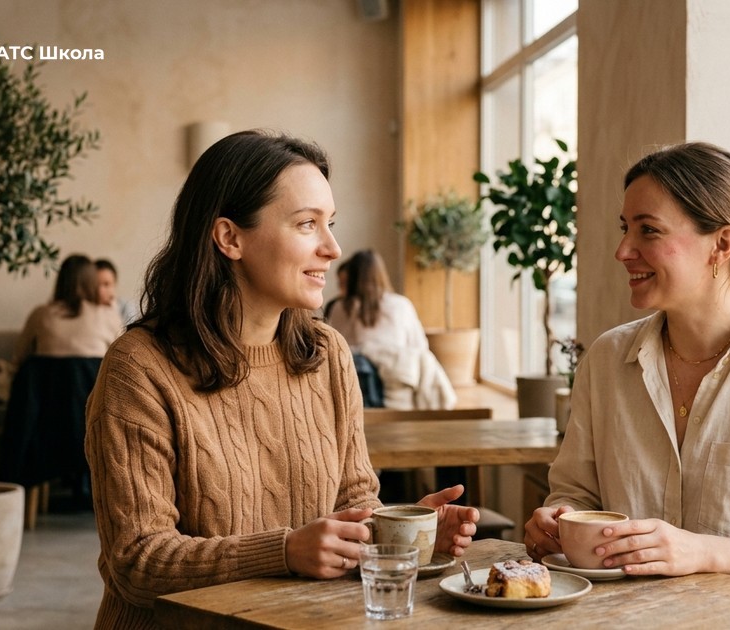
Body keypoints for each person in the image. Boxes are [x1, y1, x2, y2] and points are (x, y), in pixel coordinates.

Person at [84, 130, 479, 628]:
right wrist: (285, 551)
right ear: (230, 238)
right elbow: (137, 562)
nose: (333, 248)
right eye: (307, 224)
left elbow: (353, 502)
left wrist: (398, 532)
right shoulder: (139, 368)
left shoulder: (327, 352)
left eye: (330, 223)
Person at [522, 142, 730, 593]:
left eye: (649, 231)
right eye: (626, 228)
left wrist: (702, 551)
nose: (623, 250)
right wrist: (559, 520)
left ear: (722, 244)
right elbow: (577, 494)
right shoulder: (606, 362)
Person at [327, 249, 456, 410]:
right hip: (398, 391)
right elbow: (420, 347)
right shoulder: (401, 305)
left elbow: (333, 347)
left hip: (355, 387)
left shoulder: (339, 307)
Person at [13, 254, 124, 365]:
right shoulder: (107, 315)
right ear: (92, 282)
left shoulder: (40, 314)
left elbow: (19, 357)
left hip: (46, 381)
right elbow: (122, 359)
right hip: (92, 381)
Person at [94, 258, 139, 326]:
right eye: (96, 284)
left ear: (114, 284)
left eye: (106, 284)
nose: (100, 290)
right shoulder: (83, 310)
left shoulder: (126, 307)